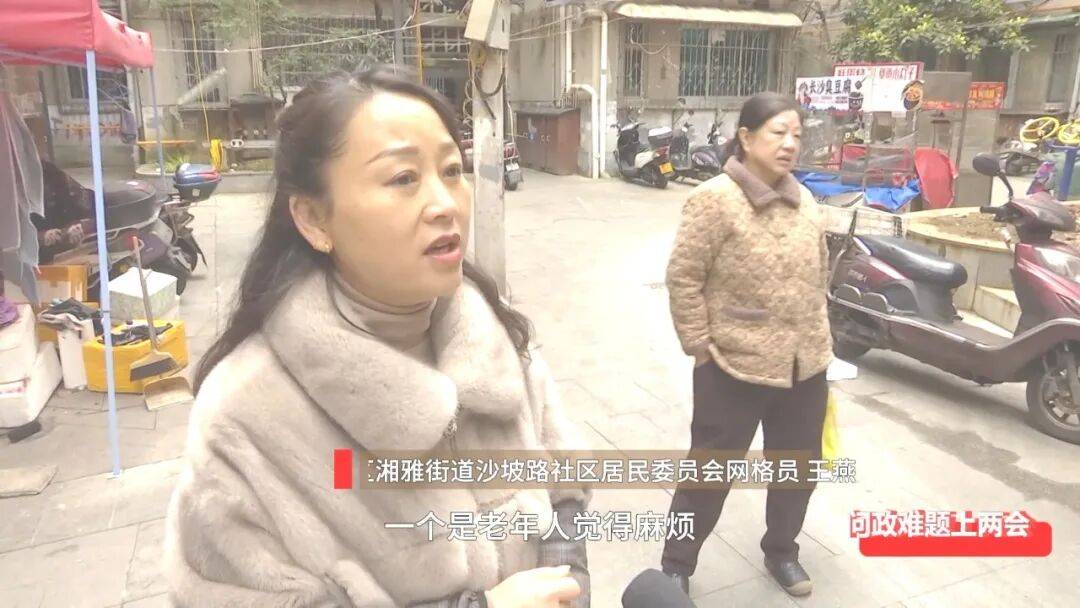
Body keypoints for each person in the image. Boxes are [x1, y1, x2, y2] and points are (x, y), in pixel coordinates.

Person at [164, 65, 590, 608]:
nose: (445, 203)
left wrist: (569, 581)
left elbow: (563, 486)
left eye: (452, 170)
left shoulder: (496, 337)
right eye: (403, 178)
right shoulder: (244, 416)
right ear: (314, 219)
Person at [660, 92, 832, 597]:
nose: (790, 144)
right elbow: (684, 277)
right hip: (732, 365)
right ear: (746, 137)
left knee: (798, 470)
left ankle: (782, 551)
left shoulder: (807, 202)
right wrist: (699, 345)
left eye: (797, 134)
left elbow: (820, 273)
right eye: (778, 132)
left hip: (804, 365)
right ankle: (676, 563)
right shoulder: (714, 199)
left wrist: (821, 339)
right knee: (710, 472)